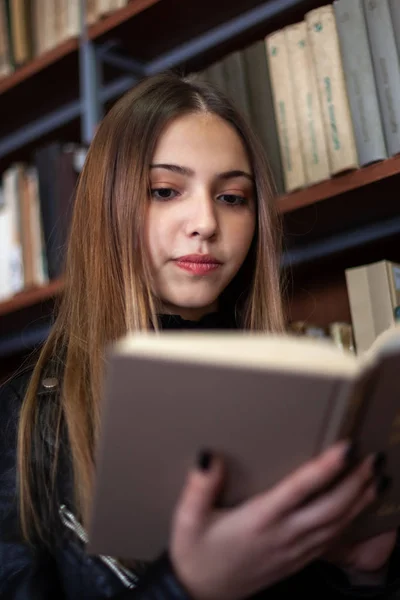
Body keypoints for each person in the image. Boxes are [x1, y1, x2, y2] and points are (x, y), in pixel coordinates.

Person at [0, 72, 398, 600]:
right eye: (165, 191)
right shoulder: (21, 422)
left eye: (233, 197)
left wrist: (365, 574)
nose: (205, 222)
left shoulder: (305, 394)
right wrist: (187, 588)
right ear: (107, 207)